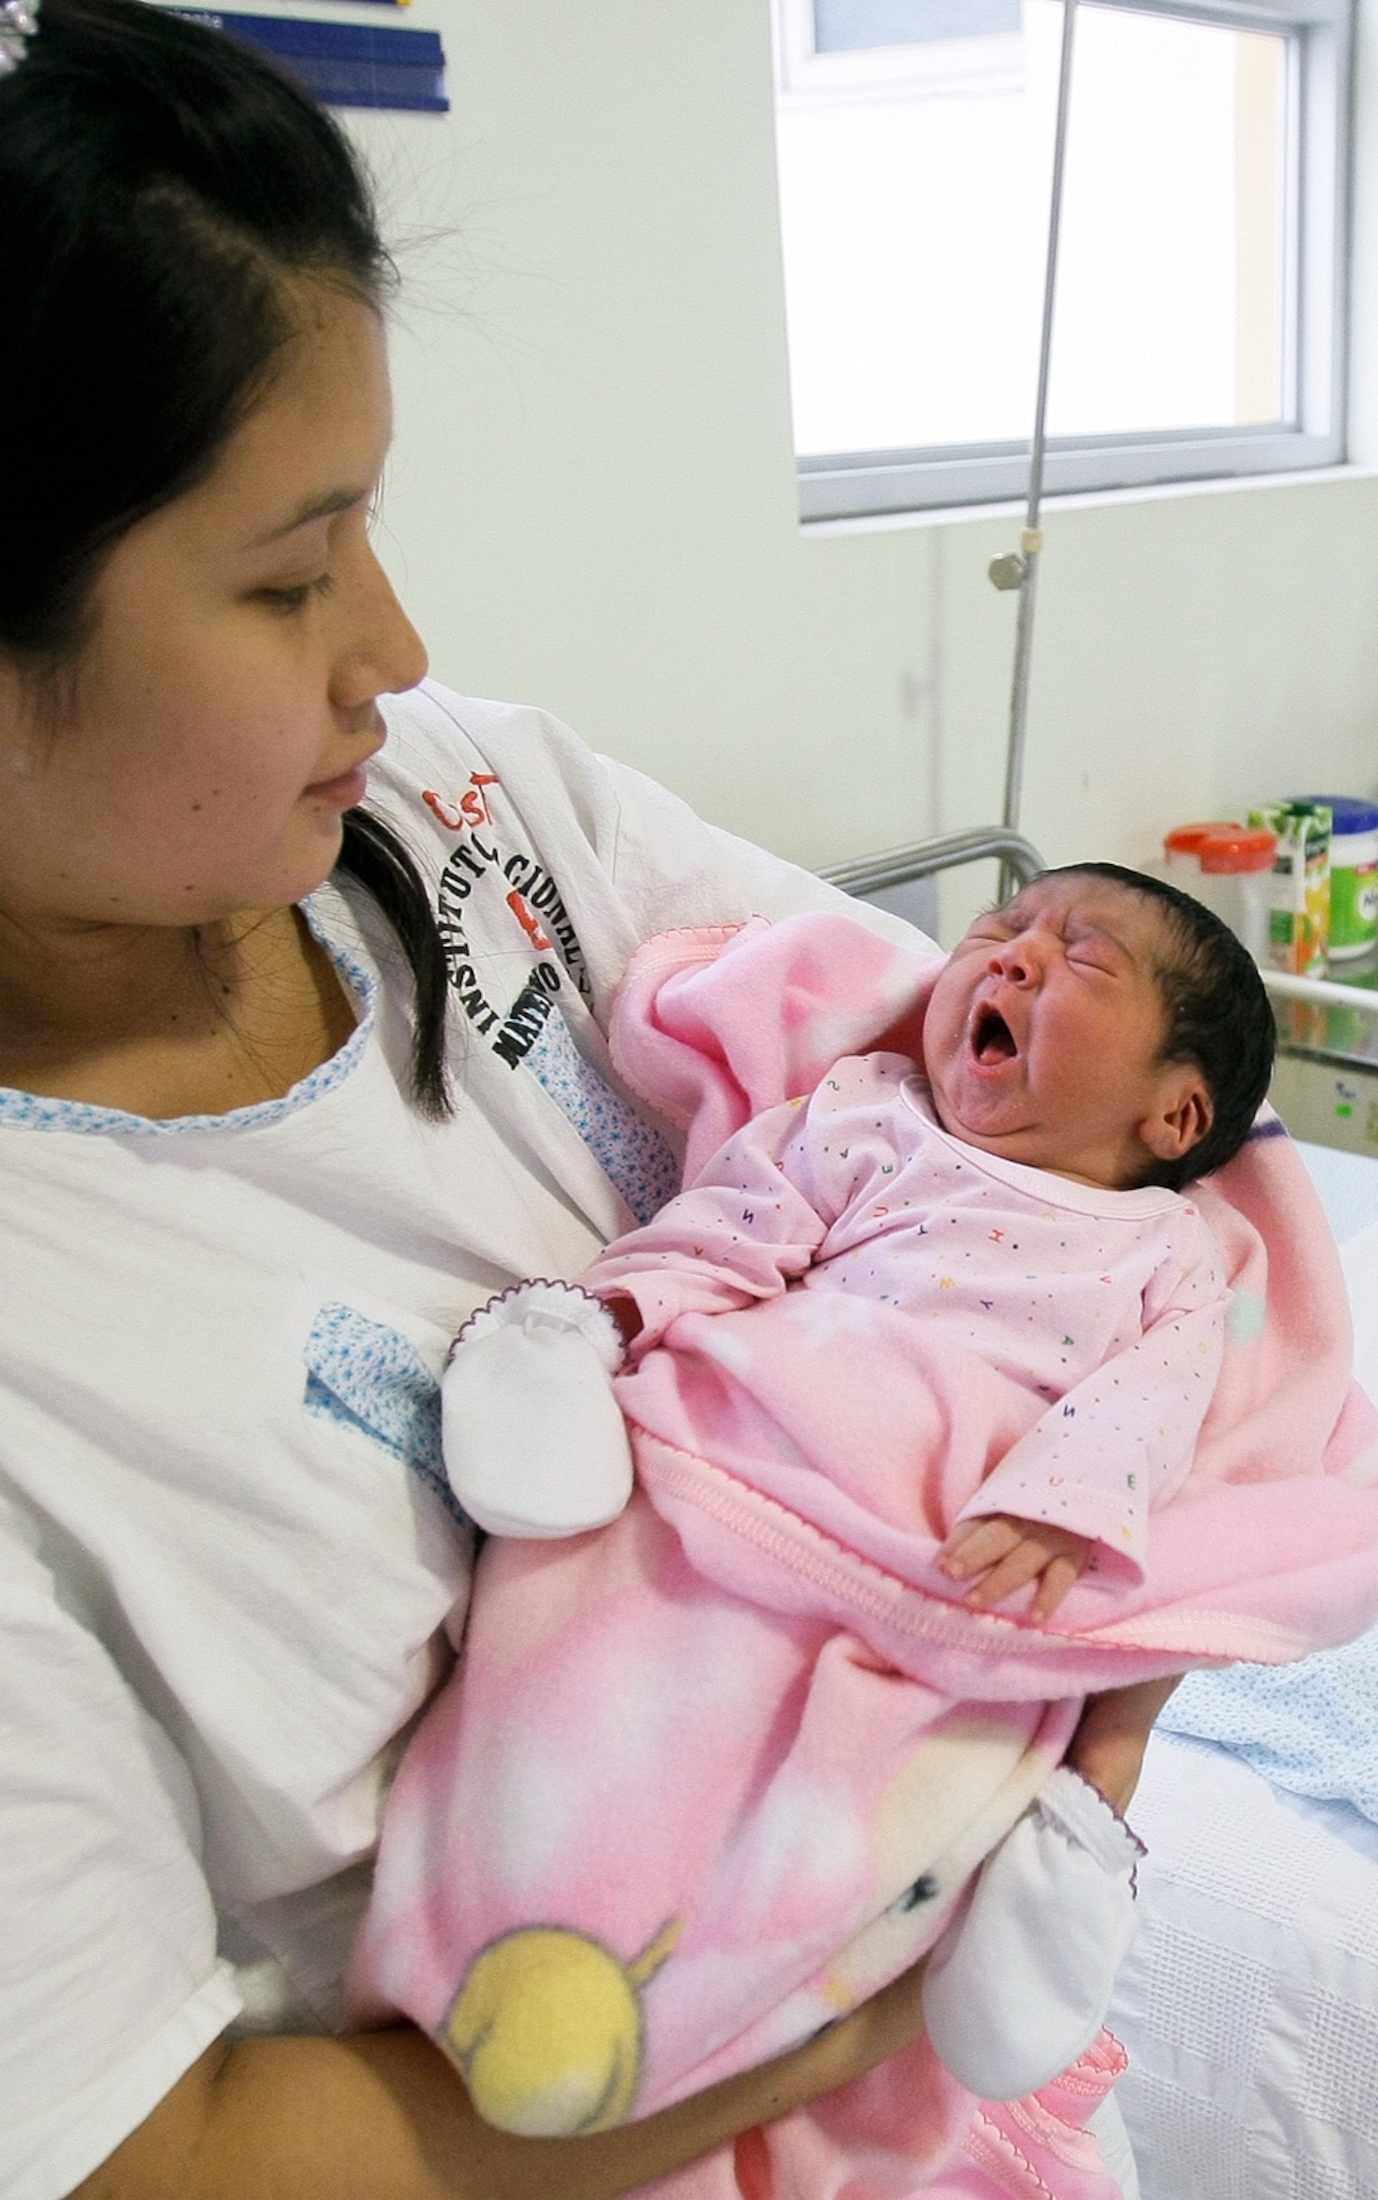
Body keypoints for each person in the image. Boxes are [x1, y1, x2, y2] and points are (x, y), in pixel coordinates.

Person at [0, 0, 1181, 2200]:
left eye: (363, 518)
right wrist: (853, 1956)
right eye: (285, 577)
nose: (392, 643)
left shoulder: (454, 804)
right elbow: (124, 2169)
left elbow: (990, 1155)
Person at [372, 870, 1300, 2120]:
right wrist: (618, 1309)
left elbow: (1156, 1405)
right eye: (1003, 928)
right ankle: (525, 1919)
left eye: (1083, 959)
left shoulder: (1168, 1251)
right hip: (755, 1461)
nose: (1014, 957)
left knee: (912, 1755)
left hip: (944, 1550)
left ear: (1177, 1112)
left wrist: (1061, 1504)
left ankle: (1043, 1855)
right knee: (603, 1663)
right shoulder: (874, 1113)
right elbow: (737, 1226)